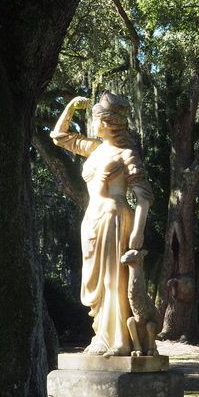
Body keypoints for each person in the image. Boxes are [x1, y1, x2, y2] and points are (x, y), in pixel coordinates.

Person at [51, 91, 153, 356]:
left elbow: (144, 197)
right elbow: (59, 137)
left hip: (114, 216)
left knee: (113, 280)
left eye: (96, 119)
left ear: (108, 122)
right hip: (92, 219)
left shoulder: (126, 153)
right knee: (96, 283)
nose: (92, 125)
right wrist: (71, 106)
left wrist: (138, 235)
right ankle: (102, 337)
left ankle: (119, 340)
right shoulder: (95, 150)